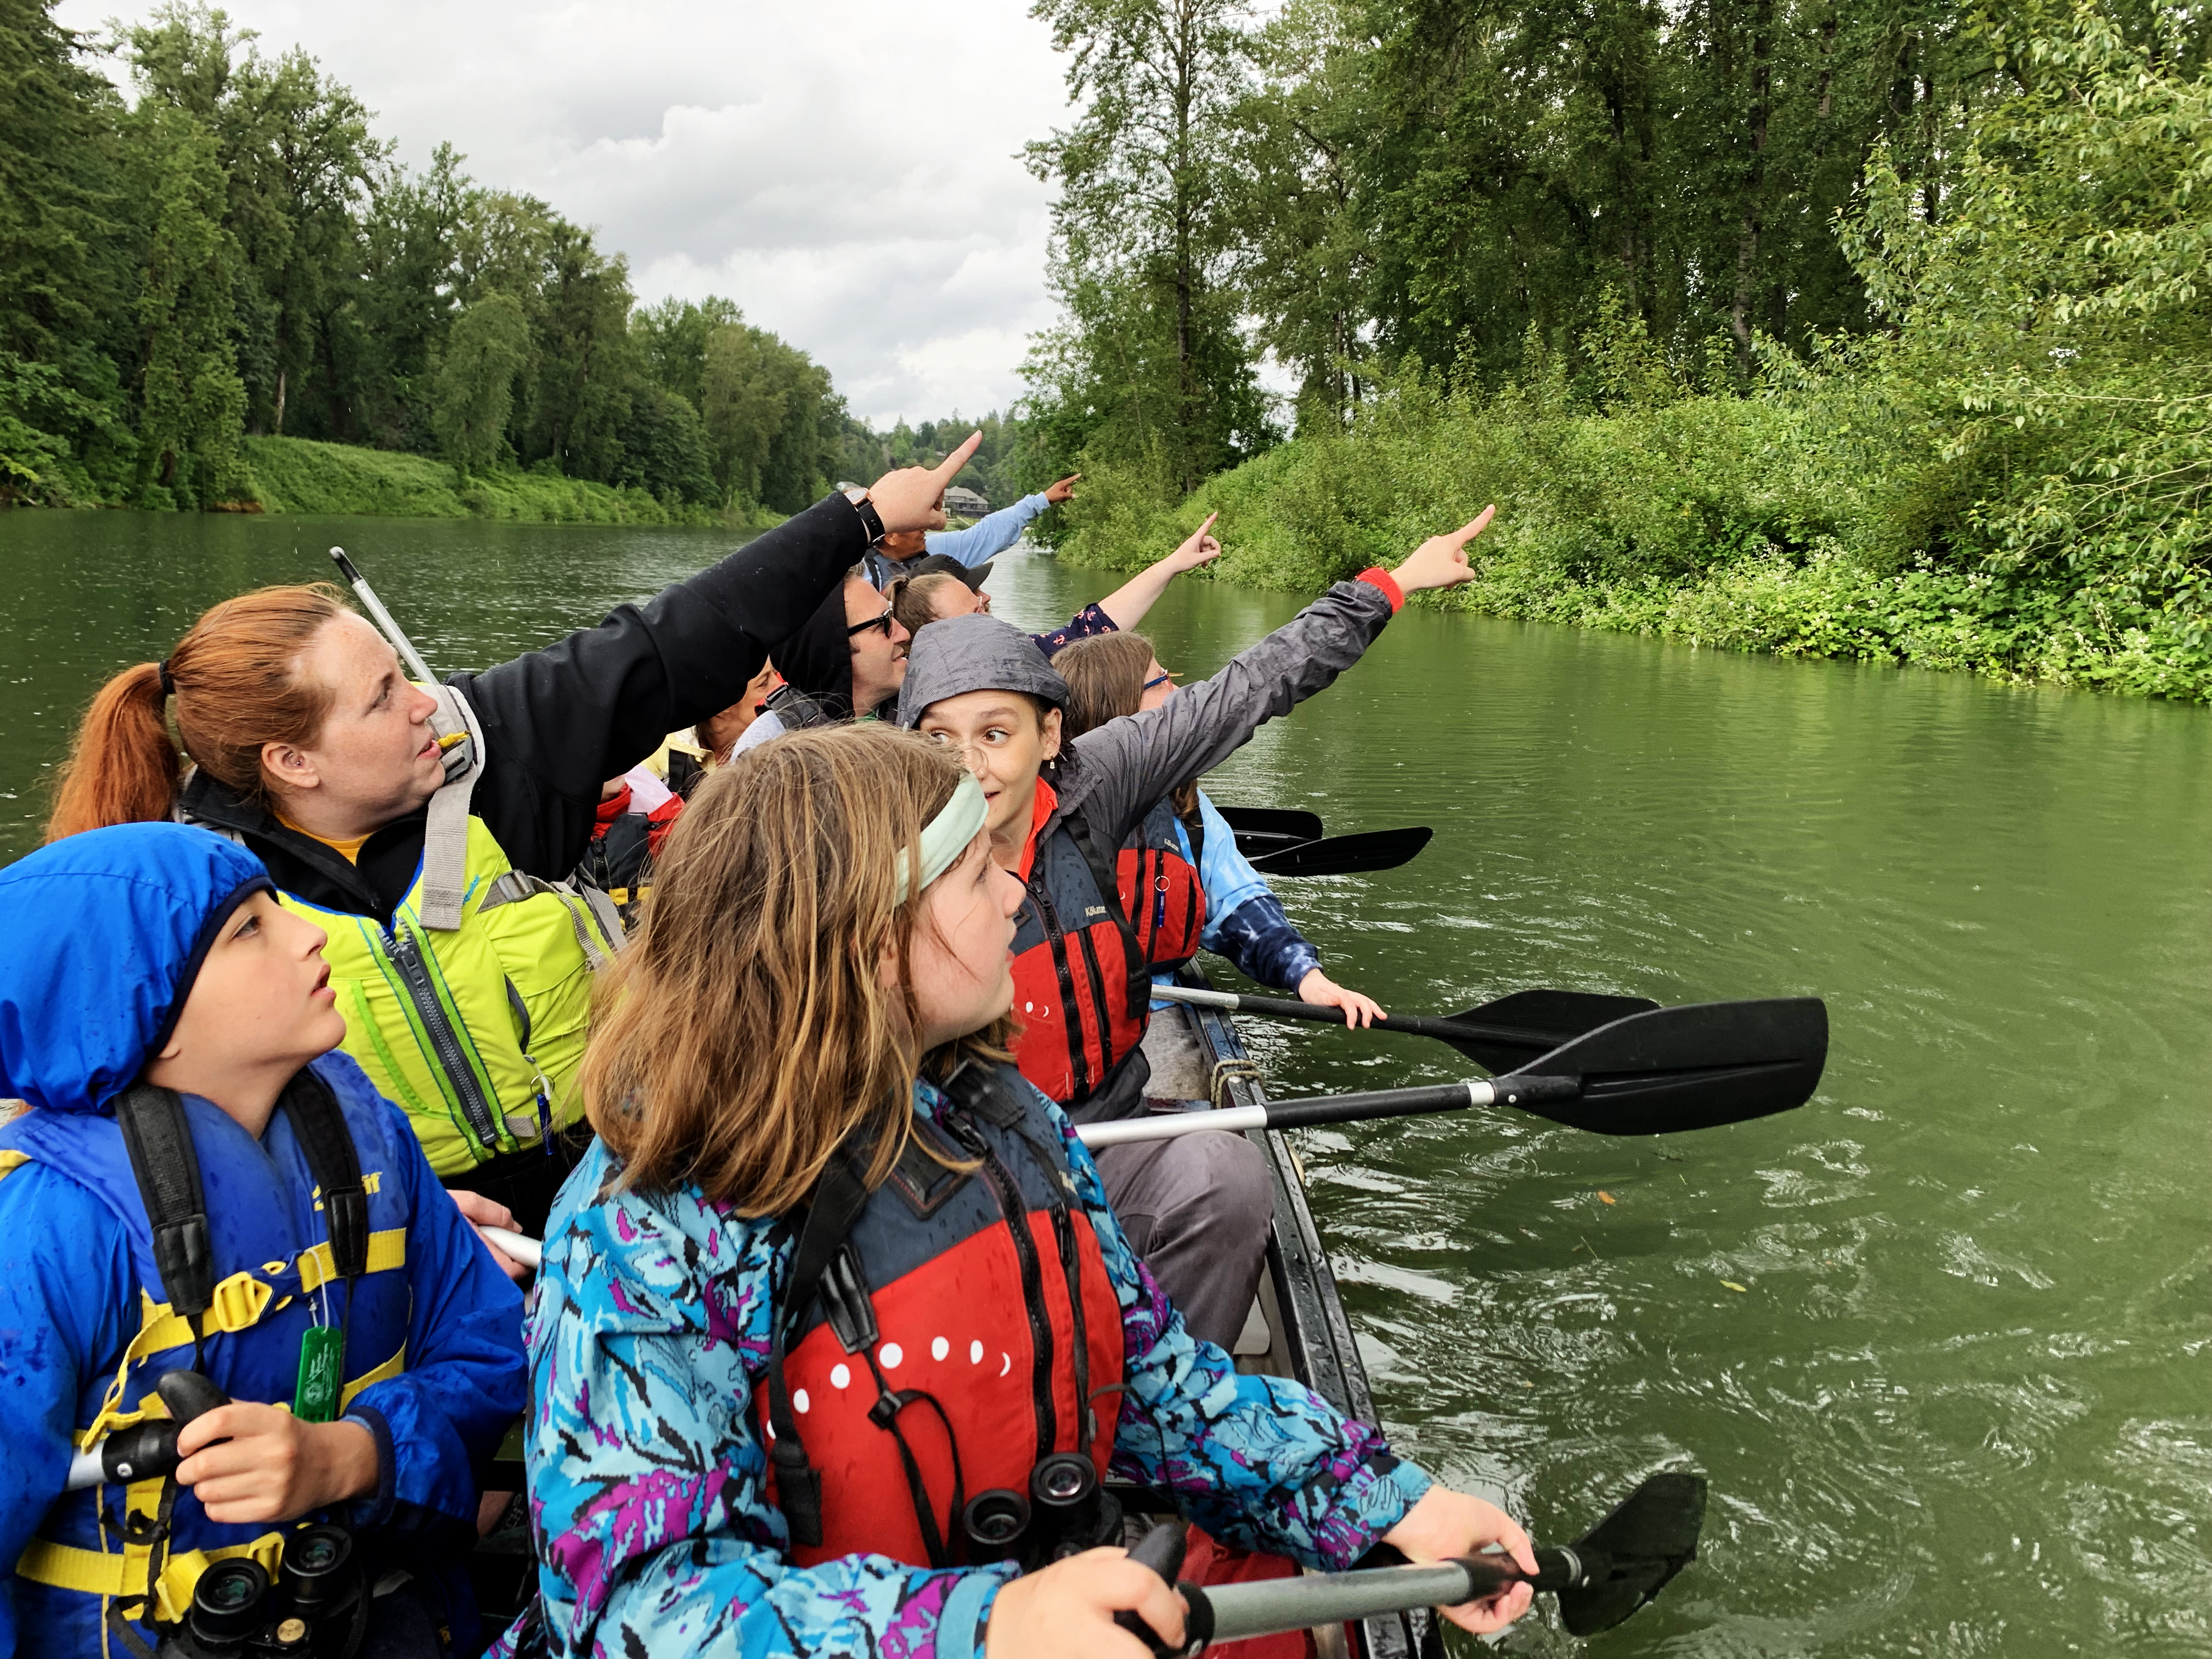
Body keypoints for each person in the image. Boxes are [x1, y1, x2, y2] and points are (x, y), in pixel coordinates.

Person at [511, 723, 1535, 1659]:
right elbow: (637, 1609)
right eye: (975, 872)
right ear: (871, 939)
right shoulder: (645, 1227)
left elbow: (1147, 1380)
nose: (1016, 892)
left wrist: (1390, 1502)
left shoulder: (999, 1110)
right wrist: (984, 1628)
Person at [43, 442, 979, 1235]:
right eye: (382, 698)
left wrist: (858, 514)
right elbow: (169, 1145)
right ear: (293, 762)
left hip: (617, 1185)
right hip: (407, 1242)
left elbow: (675, 638)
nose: (426, 702)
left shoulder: (489, 749)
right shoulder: (192, 903)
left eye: (394, 672)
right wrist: (396, 1226)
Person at [893, 511, 1492, 1350]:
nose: (974, 770)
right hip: (956, 1155)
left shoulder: (1104, 780)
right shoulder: (885, 834)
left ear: (1049, 732)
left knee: (1226, 1173)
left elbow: (1253, 685)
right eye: (941, 741)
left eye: (997, 734)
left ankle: (1157, 1394)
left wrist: (1386, 587)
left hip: (1105, 1121)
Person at [0, 822, 528, 1657]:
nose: (308, 931)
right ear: (145, 1015)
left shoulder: (371, 1140)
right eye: (249, 928)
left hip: (379, 1613)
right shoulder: (47, 1229)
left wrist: (352, 1457)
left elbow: (489, 1352)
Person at [1054, 629, 1386, 1025]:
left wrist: (1306, 975)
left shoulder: (1186, 808)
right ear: (1120, 707)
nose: (1180, 691)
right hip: (1059, 1005)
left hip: (1154, 1000)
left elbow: (1237, 902)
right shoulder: (1035, 805)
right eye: (1162, 681)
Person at [893, 512, 1225, 660]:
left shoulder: (1016, 652)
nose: (988, 597)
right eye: (974, 605)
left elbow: (1092, 629)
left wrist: (1172, 564)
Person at [729, 568, 915, 756]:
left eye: (892, 615)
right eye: (883, 623)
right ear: (832, 648)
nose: (904, 635)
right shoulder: (770, 751)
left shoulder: (924, 712)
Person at [865, 470, 1081, 586]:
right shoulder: (861, 575)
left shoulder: (935, 551)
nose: (923, 529)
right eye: (914, 525)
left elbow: (986, 533)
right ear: (892, 536)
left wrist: (1042, 500)